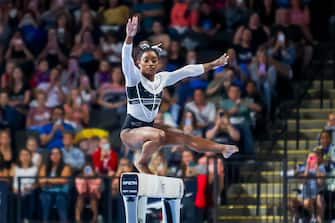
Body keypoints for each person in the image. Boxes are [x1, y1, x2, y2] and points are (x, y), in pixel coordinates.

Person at [120, 16, 238, 174]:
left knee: (184, 137)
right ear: (138, 63)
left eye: (154, 60)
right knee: (159, 135)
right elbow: (125, 59)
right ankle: (141, 162)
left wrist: (213, 64)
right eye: (146, 60)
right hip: (131, 132)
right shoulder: (134, 77)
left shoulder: (161, 79)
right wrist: (129, 37)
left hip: (149, 130)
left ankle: (222, 148)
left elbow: (186, 71)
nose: (150, 64)